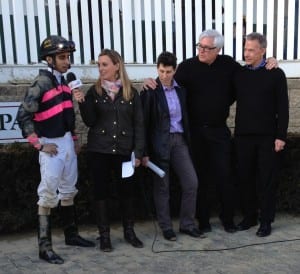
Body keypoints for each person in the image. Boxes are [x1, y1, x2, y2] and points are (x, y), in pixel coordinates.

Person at [143, 29, 277, 234]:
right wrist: (149, 82)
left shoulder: (228, 65)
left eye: (207, 48)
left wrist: (271, 61)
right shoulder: (186, 67)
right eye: (200, 46)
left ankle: (228, 219)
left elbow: (251, 71)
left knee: (226, 175)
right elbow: (166, 80)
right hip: (195, 132)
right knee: (200, 177)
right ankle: (203, 220)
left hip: (218, 131)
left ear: (218, 49)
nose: (202, 50)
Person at [16, 35, 95, 265]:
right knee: (48, 193)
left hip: (67, 143)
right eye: (61, 57)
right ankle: (45, 247)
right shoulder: (41, 83)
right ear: (48, 59)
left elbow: (67, 115)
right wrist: (38, 144)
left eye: (67, 56)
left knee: (69, 189)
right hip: (49, 144)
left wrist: (72, 138)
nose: (66, 61)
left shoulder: (65, 82)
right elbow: (23, 116)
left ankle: (71, 235)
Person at [73, 49, 144, 252]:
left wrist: (138, 152)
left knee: (127, 192)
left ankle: (129, 232)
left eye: (104, 64)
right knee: (100, 193)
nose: (101, 68)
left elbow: (139, 125)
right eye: (99, 65)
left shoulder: (131, 92)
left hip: (124, 151)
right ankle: (104, 236)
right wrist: (82, 102)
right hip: (99, 151)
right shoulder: (94, 92)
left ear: (117, 66)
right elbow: (90, 121)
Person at [141, 51, 203, 241]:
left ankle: (187, 224)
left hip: (179, 141)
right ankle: (166, 227)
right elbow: (142, 123)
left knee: (191, 182)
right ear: (157, 69)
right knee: (162, 187)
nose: (164, 75)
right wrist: (143, 151)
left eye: (168, 71)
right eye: (161, 71)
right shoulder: (150, 91)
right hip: (159, 142)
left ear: (175, 70)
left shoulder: (181, 90)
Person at [234, 32, 289, 237]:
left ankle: (265, 221)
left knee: (266, 180)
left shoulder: (276, 74)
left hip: (268, 137)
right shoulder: (239, 73)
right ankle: (249, 217)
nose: (246, 53)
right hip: (243, 136)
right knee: (245, 178)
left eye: (251, 50)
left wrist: (281, 136)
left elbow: (283, 108)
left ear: (263, 51)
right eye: (245, 49)